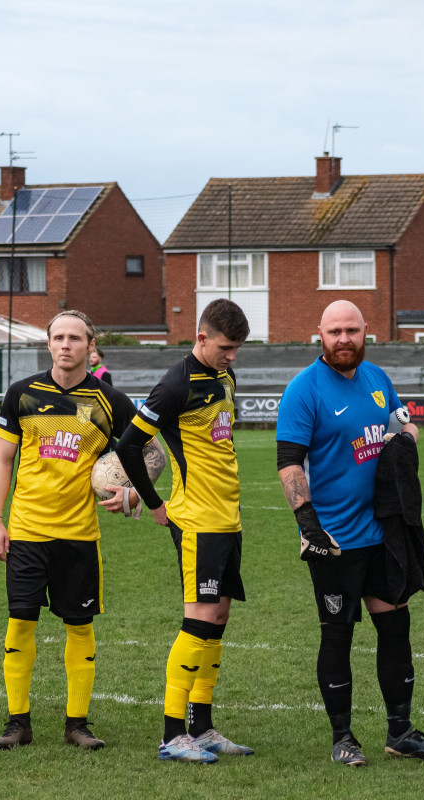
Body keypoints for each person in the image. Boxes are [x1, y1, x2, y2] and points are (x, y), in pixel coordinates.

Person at [275, 299, 424, 766]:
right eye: (334, 331)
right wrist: (307, 524)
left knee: (396, 627)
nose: (343, 339)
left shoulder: (378, 380)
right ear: (320, 334)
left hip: (382, 533)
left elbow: (403, 423)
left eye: (351, 330)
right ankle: (342, 738)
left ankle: (401, 732)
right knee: (337, 635)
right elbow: (289, 462)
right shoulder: (303, 389)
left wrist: (409, 435)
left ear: (365, 331)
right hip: (333, 539)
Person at [0, 309, 156, 751]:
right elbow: (3, 460)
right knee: (20, 623)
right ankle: (17, 723)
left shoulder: (109, 401)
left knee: (78, 626)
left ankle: (77, 724)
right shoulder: (21, 394)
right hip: (26, 531)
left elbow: (152, 452)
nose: (65, 345)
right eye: (58, 337)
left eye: (74, 338)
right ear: (48, 345)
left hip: (79, 534)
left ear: (89, 345)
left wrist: (134, 494)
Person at [115, 298, 254, 764]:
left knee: (217, 621)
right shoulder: (174, 385)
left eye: (236, 348)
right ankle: (173, 734)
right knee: (197, 620)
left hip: (228, 519)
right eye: (225, 347)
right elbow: (130, 446)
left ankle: (203, 726)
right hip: (195, 521)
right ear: (201, 338)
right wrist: (153, 503)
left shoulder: (225, 378)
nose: (231, 355)